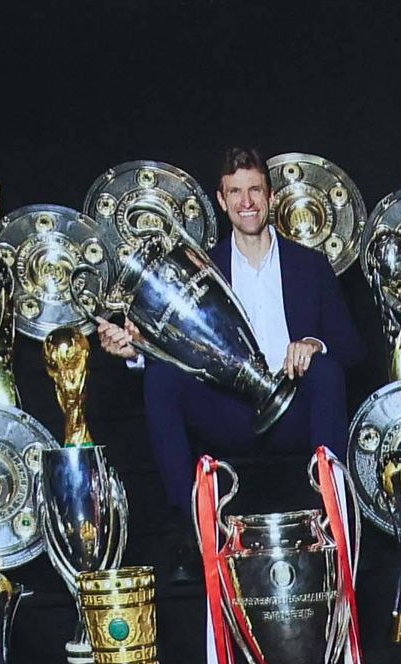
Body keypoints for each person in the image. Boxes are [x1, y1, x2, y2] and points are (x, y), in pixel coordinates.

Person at [121, 148, 362, 513]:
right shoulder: (203, 267)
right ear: (221, 200)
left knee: (326, 371)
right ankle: (191, 525)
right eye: (235, 191)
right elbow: (181, 352)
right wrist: (138, 350)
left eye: (255, 190)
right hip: (229, 411)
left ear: (271, 197)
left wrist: (314, 345)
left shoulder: (310, 265)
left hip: (292, 408)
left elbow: (352, 349)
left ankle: (335, 517)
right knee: (160, 378)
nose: (246, 202)